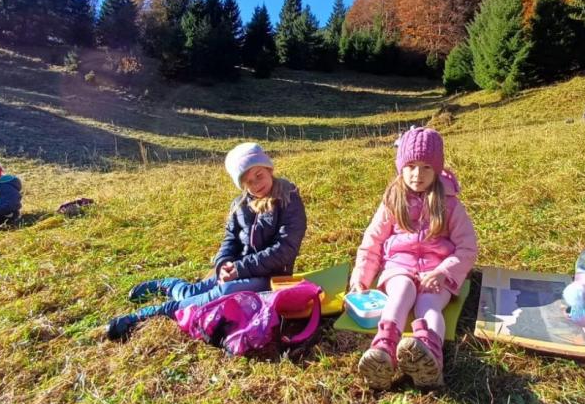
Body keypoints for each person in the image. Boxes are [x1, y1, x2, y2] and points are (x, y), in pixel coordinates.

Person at [106, 143, 307, 342]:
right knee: (193, 291)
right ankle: (167, 285)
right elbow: (230, 240)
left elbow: (285, 249)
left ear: (269, 169)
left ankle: (151, 314)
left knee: (220, 293)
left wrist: (239, 269)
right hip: (237, 269)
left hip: (270, 275)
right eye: (248, 181)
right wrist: (223, 263)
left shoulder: (288, 198)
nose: (256, 184)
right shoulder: (239, 205)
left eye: (259, 175)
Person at [350, 128, 478, 389]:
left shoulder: (449, 203)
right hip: (399, 266)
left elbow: (467, 247)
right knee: (400, 294)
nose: (417, 175)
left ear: (437, 168)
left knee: (429, 305)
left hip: (436, 271)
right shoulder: (392, 200)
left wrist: (444, 271)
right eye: (410, 166)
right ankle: (384, 349)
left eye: (426, 167)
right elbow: (372, 242)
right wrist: (360, 279)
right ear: (400, 166)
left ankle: (429, 352)